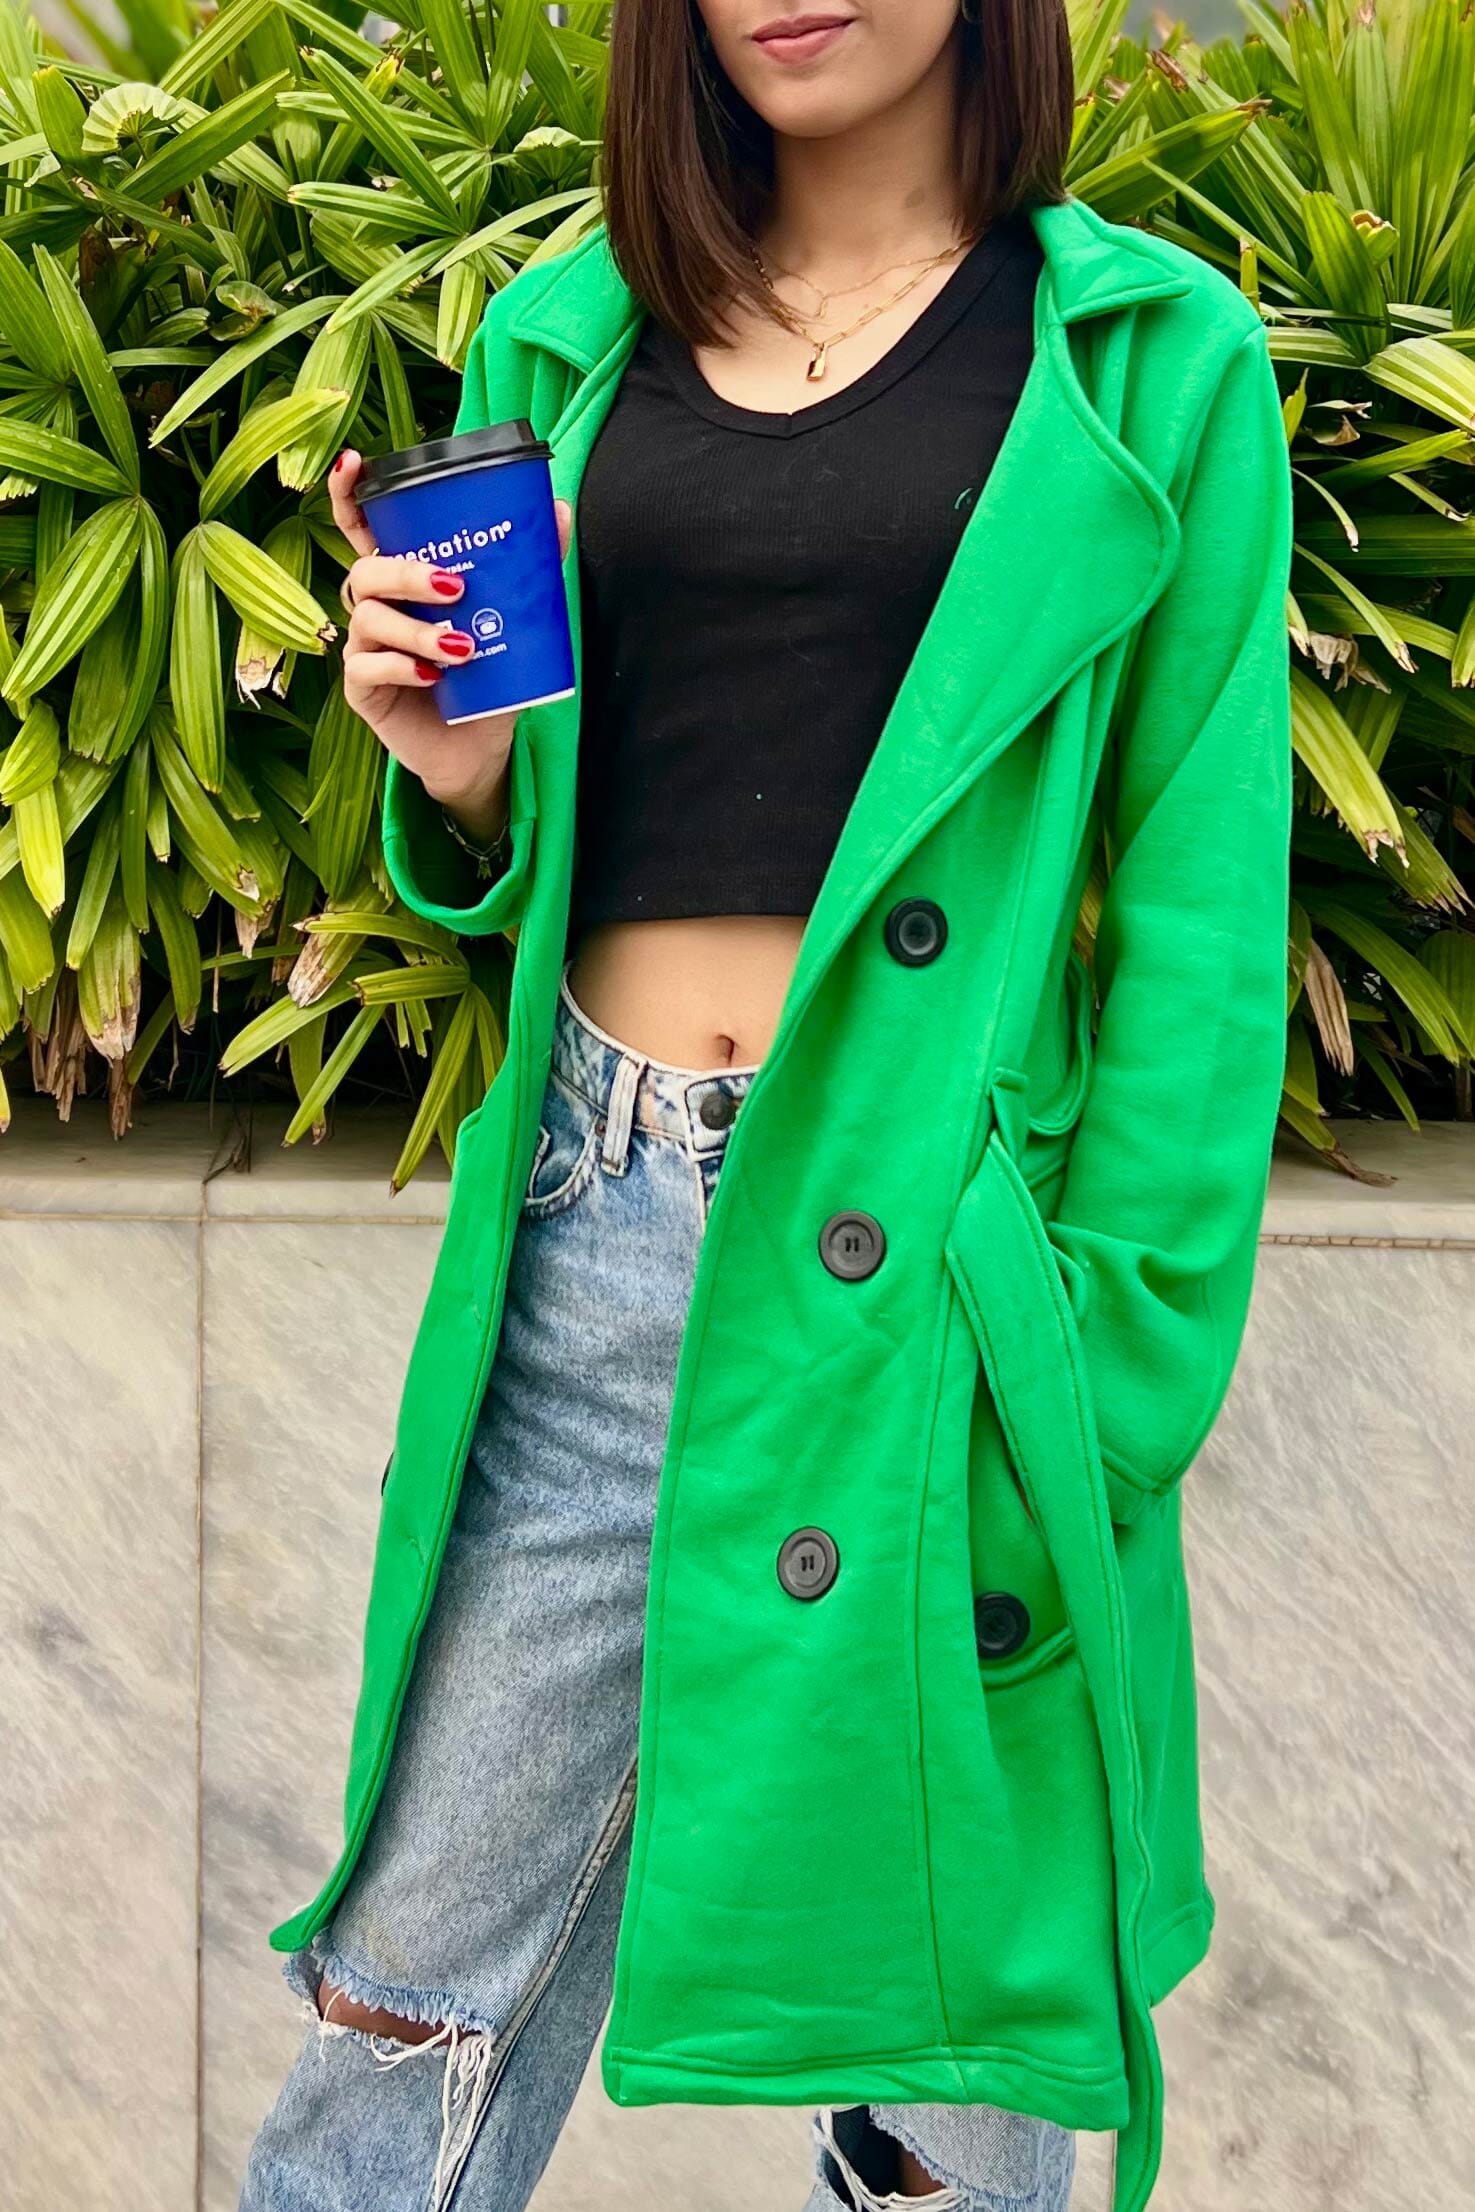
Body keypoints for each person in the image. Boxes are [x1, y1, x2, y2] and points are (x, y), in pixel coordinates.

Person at [239, 1, 1293, 2208]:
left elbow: (1204, 929)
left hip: (932, 1286)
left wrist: (1099, 1391)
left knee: (950, 2090)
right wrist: (459, 775)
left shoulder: (1152, 363)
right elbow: (541, 836)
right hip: (593, 1234)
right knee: (402, 2021)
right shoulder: (562, 335)